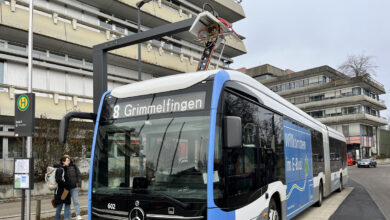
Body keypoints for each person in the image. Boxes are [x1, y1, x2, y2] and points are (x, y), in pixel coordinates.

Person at [64, 155, 82, 220]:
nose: (68, 160)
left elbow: (78, 175)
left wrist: (79, 184)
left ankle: (78, 215)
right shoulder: (63, 167)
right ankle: (68, 216)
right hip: (66, 189)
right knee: (67, 203)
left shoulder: (74, 166)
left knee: (76, 201)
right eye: (66, 159)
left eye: (68, 158)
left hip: (74, 188)